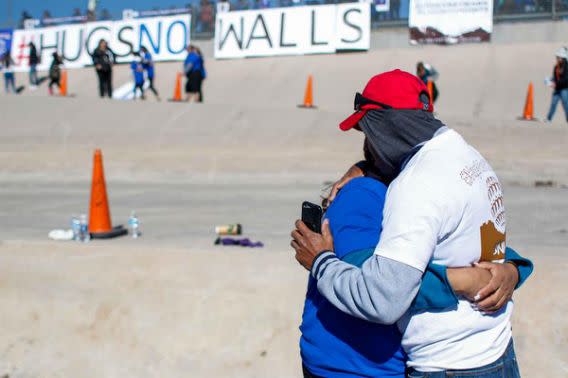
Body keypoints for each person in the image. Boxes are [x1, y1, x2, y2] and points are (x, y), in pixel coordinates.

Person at [291, 70, 524, 376]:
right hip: (497, 350)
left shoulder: (414, 186)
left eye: (367, 134)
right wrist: (512, 268)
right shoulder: (469, 160)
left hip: (448, 366)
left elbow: (382, 296)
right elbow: (473, 241)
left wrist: (320, 261)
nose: (366, 147)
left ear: (383, 131)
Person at [299, 150, 533, 377]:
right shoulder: (364, 194)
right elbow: (380, 285)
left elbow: (469, 243)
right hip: (353, 366)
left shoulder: (429, 183)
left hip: (391, 360)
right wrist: (464, 280)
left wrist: (512, 268)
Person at [546, 47, 568, 123]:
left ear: (563, 57)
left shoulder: (566, 67)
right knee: (553, 104)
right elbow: (555, 77)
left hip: (564, 89)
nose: (558, 58)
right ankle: (549, 119)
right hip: (557, 89)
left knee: (566, 105)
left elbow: (566, 79)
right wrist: (550, 81)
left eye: (559, 57)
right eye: (557, 57)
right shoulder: (556, 67)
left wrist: (556, 83)